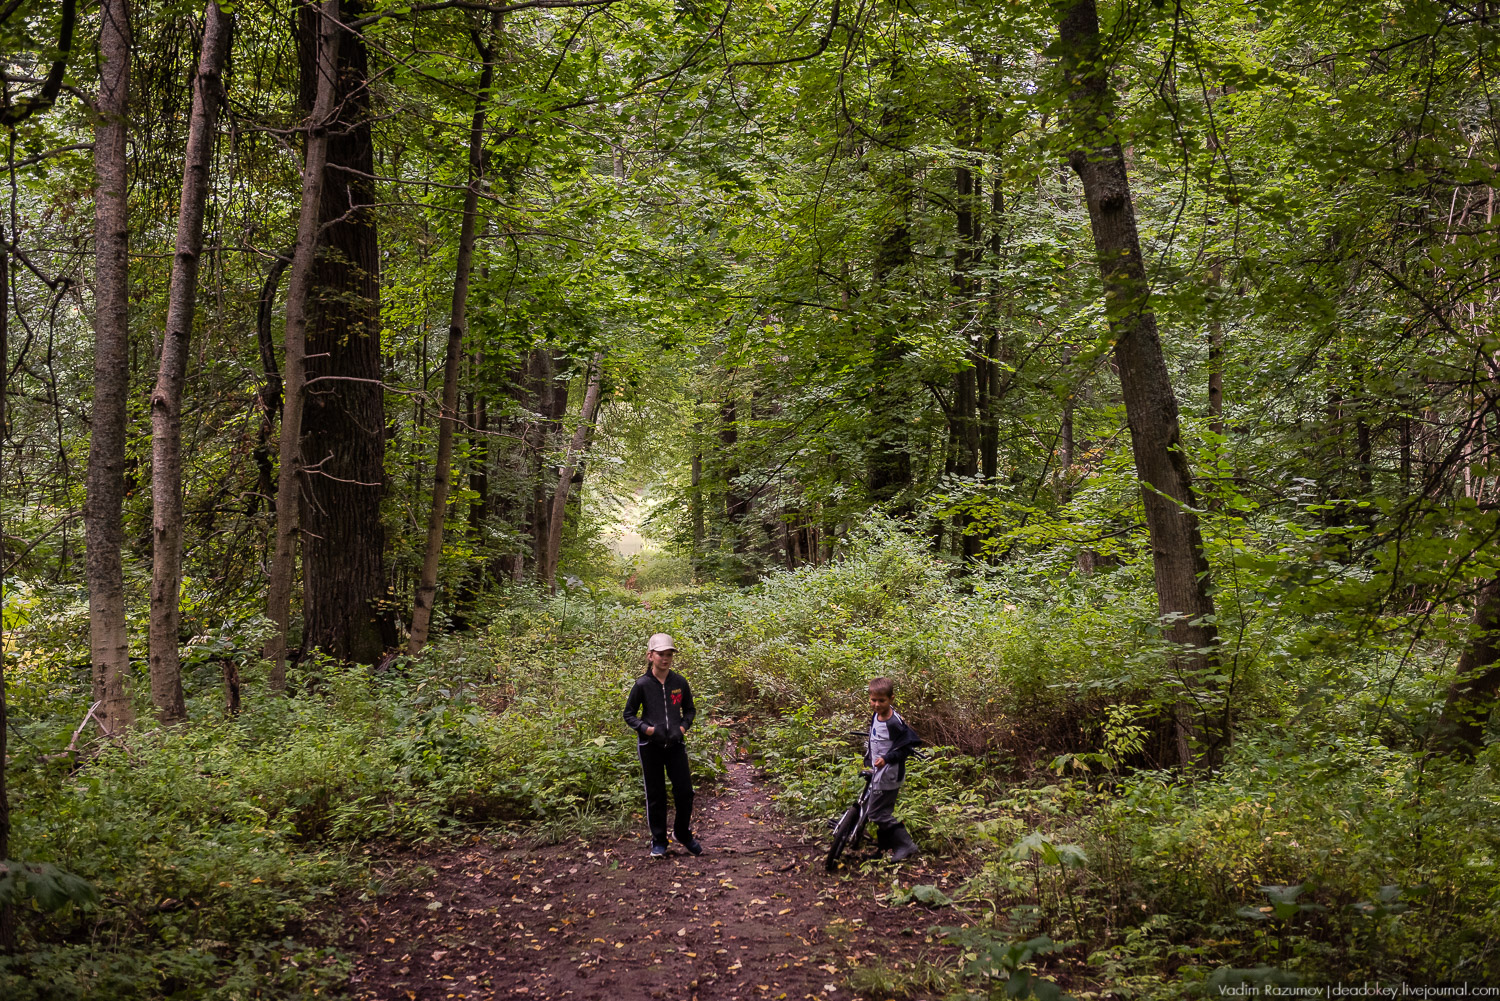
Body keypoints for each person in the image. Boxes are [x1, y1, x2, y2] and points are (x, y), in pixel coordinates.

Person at [623, 633, 702, 857]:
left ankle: (682, 833)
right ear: (650, 656)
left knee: (685, 792)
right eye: (661, 654)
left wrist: (682, 728)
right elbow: (629, 715)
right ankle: (659, 840)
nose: (665, 659)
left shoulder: (679, 682)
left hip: (675, 744)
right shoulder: (642, 684)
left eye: (669, 655)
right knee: (656, 794)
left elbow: (690, 710)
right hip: (650, 746)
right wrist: (648, 729)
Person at [864, 676, 921, 861]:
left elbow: (906, 748)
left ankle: (907, 845)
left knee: (875, 813)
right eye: (873, 700)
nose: (877, 704)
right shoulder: (877, 715)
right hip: (879, 772)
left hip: (889, 774)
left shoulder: (894, 723)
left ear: (891, 699)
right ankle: (885, 848)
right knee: (883, 811)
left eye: (882, 700)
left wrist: (886, 758)